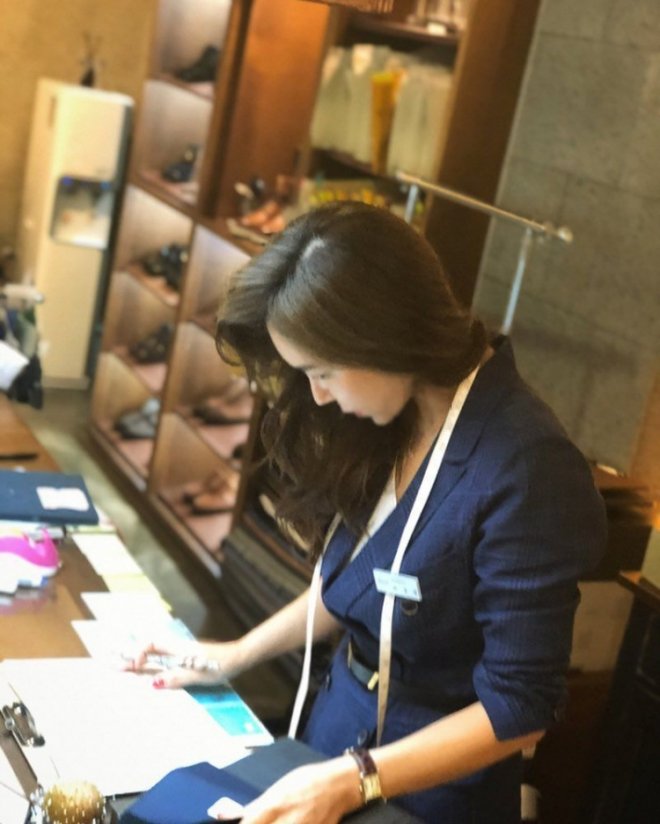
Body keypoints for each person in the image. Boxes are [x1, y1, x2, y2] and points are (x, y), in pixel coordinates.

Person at [128, 202, 606, 823]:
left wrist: (354, 781)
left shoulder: (526, 466)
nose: (318, 395)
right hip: (337, 736)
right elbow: (365, 581)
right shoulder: (393, 416)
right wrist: (237, 653)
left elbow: (520, 706)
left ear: (384, 337)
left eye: (324, 372)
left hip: (432, 787)